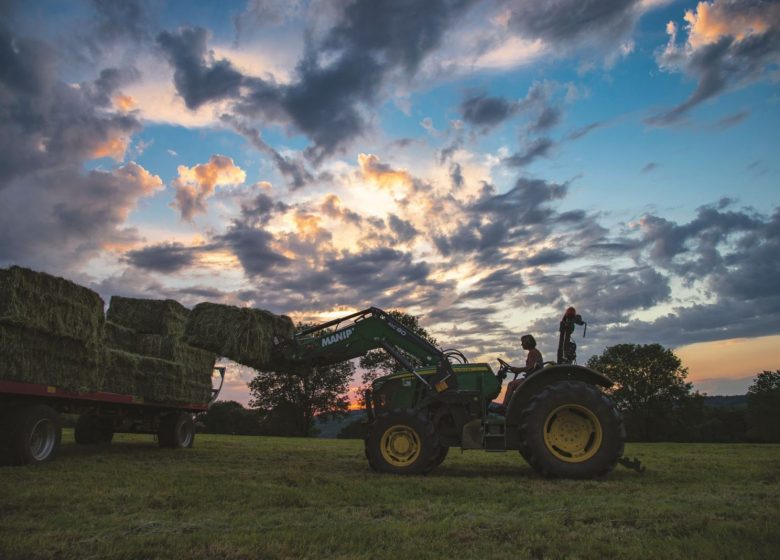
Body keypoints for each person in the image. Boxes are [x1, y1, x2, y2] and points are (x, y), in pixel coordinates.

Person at [500, 334, 543, 410]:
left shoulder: (533, 352)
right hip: (531, 377)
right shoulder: (533, 352)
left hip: (532, 380)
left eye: (523, 342)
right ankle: (508, 406)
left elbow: (531, 368)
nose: (521, 344)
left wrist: (518, 369)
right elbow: (530, 368)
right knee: (512, 384)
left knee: (511, 385)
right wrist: (517, 370)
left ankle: (503, 407)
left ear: (528, 342)